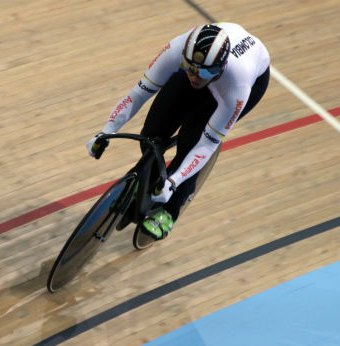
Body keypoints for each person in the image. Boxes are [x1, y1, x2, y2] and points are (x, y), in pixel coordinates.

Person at [86, 22, 270, 240]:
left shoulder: (238, 85)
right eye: (191, 70)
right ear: (185, 57)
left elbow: (207, 144)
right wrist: (106, 130)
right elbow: (137, 94)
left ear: (219, 68)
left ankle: (171, 209)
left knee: (192, 140)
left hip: (243, 82)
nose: (194, 77)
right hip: (211, 68)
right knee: (152, 132)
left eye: (202, 74)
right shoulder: (177, 50)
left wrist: (174, 182)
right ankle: (150, 179)